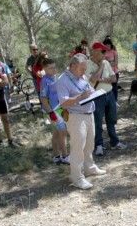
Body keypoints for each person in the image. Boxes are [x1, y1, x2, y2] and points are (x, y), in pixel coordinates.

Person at [56, 53, 106, 190]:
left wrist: (94, 93)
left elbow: (88, 89)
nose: (84, 72)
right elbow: (64, 102)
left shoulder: (81, 76)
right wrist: (80, 97)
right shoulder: (63, 80)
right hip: (76, 117)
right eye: (82, 69)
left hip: (89, 114)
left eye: (85, 69)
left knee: (89, 143)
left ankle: (89, 167)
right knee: (78, 147)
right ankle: (77, 178)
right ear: (72, 66)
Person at [86, 42, 127, 156]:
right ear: (94, 52)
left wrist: (103, 78)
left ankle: (115, 142)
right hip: (97, 96)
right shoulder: (87, 64)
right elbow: (93, 80)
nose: (105, 54)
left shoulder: (106, 62)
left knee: (112, 119)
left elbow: (114, 78)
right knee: (97, 121)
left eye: (105, 51)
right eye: (102, 51)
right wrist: (101, 67)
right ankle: (98, 145)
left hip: (109, 93)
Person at [40, 58, 70, 165]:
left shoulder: (55, 77)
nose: (53, 69)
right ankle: (65, 156)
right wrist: (50, 113)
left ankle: (56, 156)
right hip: (53, 110)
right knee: (63, 132)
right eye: (50, 68)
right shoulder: (45, 81)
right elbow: (43, 98)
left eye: (54, 67)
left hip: (60, 108)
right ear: (44, 69)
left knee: (57, 133)